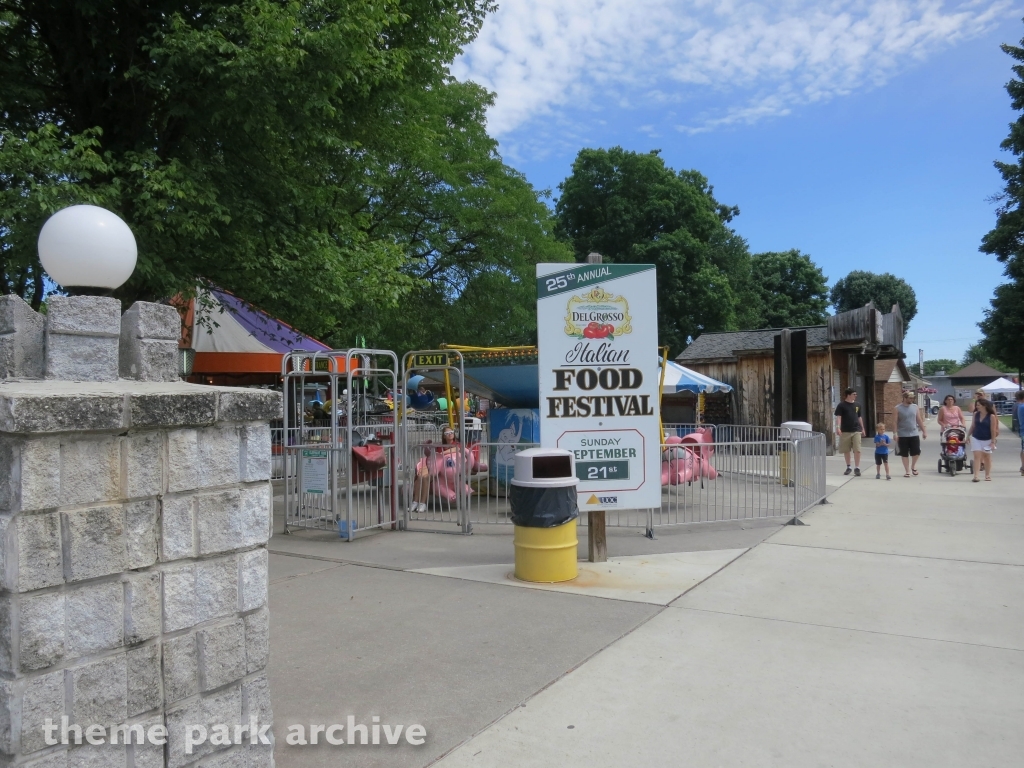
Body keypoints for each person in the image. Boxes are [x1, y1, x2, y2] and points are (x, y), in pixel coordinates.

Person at [410, 426, 461, 512]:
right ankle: (416, 502)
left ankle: (422, 502)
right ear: (444, 436)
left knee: (426, 477)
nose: (450, 434)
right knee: (421, 477)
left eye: (451, 432)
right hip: (436, 468)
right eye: (447, 433)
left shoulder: (456, 444)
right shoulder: (439, 446)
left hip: (449, 470)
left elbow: (457, 449)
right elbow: (434, 456)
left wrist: (442, 453)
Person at [894, 390, 928, 477]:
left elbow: (919, 419)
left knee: (916, 451)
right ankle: (907, 471)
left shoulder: (915, 407)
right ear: (904, 398)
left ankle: (913, 466)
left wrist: (924, 431)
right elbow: (895, 422)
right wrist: (895, 433)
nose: (911, 400)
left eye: (912, 398)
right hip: (902, 434)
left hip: (914, 433)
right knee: (904, 453)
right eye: (910, 398)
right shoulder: (897, 408)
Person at [834, 388, 866, 476]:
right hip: (845, 430)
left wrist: (862, 428)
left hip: (856, 430)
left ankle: (857, 467)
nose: (856, 396)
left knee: (857, 449)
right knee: (846, 450)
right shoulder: (841, 405)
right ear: (848, 395)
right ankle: (849, 467)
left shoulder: (857, 405)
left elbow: (859, 417)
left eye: (856, 394)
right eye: (854, 394)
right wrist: (838, 427)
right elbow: (839, 417)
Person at [967, 397, 999, 482]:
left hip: (987, 438)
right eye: (976, 405)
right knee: (977, 456)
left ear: (984, 406)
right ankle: (976, 476)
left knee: (987, 457)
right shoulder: (976, 414)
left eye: (978, 405)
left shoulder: (991, 416)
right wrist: (967, 436)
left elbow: (993, 429)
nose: (977, 407)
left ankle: (987, 475)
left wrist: (993, 441)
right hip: (976, 437)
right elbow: (973, 426)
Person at [1015, 390, 1024, 477]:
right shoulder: (1022, 406)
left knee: (1023, 449)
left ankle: (1023, 467)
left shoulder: (1019, 406)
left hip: (1022, 430)